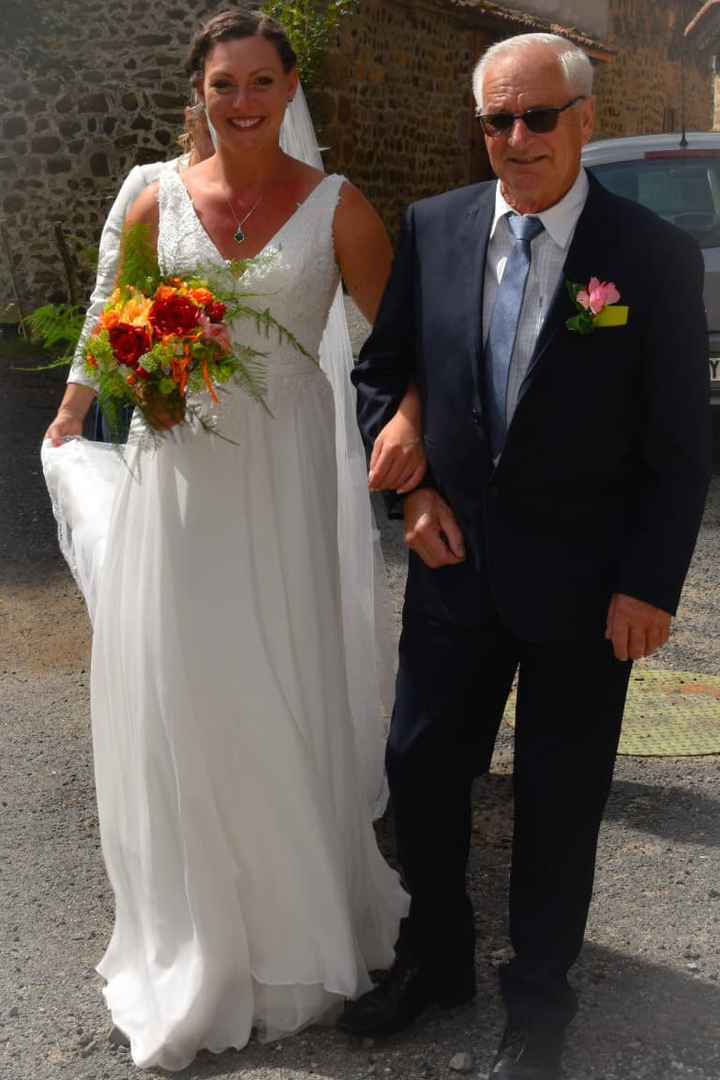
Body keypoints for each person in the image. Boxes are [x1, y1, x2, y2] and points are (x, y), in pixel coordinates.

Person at [41, 8, 427, 1070]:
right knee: (192, 685)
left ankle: (296, 922)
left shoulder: (339, 207)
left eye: (261, 82)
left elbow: (399, 343)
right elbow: (111, 314)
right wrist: (77, 410)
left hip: (286, 475)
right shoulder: (151, 196)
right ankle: (199, 927)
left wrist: (409, 425)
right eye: (224, 84)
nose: (243, 102)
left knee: (277, 678)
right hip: (178, 475)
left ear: (290, 88)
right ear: (199, 93)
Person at [342, 32, 711, 1080]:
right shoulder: (435, 226)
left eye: (537, 116)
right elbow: (384, 371)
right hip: (452, 565)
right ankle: (436, 959)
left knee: (558, 798)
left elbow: (680, 443)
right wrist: (410, 489)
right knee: (420, 770)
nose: (515, 138)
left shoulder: (650, 254)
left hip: (587, 588)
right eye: (497, 119)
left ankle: (539, 1003)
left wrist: (649, 584)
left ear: (584, 121)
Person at [49, 105, 215, 444]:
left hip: (227, 401)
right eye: (210, 118)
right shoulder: (148, 183)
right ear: (191, 116)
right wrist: (72, 409)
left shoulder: (267, 197)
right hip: (140, 393)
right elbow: (109, 298)